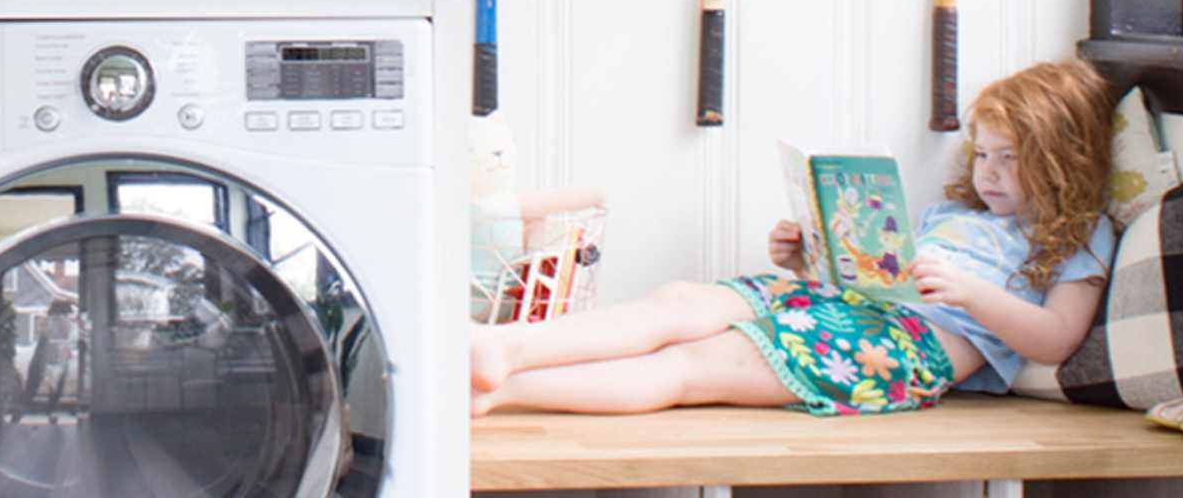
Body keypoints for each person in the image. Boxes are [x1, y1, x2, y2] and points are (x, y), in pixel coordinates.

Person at [469, 59, 1119, 417]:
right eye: (983, 156)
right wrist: (815, 256)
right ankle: (506, 345)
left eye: (1010, 159)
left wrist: (973, 294)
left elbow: (1058, 339)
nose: (990, 174)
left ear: (1062, 160)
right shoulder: (958, 217)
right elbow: (877, 276)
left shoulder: (1078, 237)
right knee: (678, 302)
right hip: (854, 308)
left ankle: (497, 394)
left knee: (693, 368)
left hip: (901, 348)